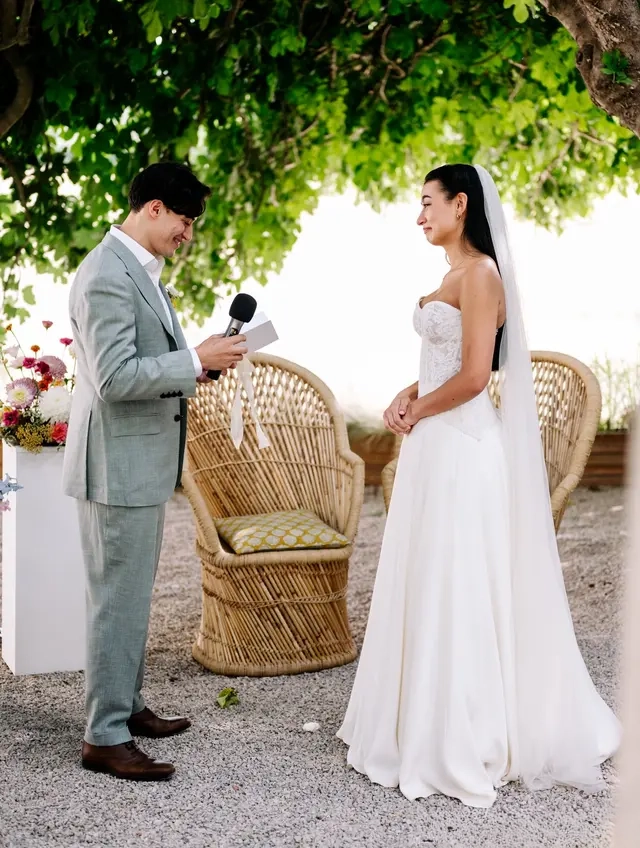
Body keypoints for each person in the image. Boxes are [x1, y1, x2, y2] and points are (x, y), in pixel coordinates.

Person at [337, 163, 621, 807]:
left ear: (460, 204)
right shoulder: (449, 276)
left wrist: (419, 409)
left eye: (427, 203)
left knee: (459, 579)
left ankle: (467, 726)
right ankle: (413, 716)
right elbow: (442, 366)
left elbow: (473, 378)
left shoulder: (483, 273)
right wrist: (405, 394)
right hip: (436, 444)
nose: (419, 216)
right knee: (426, 573)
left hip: (464, 447)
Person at [63, 162, 248, 781]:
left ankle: (126, 706)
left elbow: (143, 362)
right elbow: (115, 380)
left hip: (135, 463)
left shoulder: (136, 270)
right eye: (184, 219)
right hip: (114, 468)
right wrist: (194, 358)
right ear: (152, 208)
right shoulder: (106, 277)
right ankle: (104, 737)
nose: (188, 233)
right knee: (115, 602)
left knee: (132, 597)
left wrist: (197, 363)